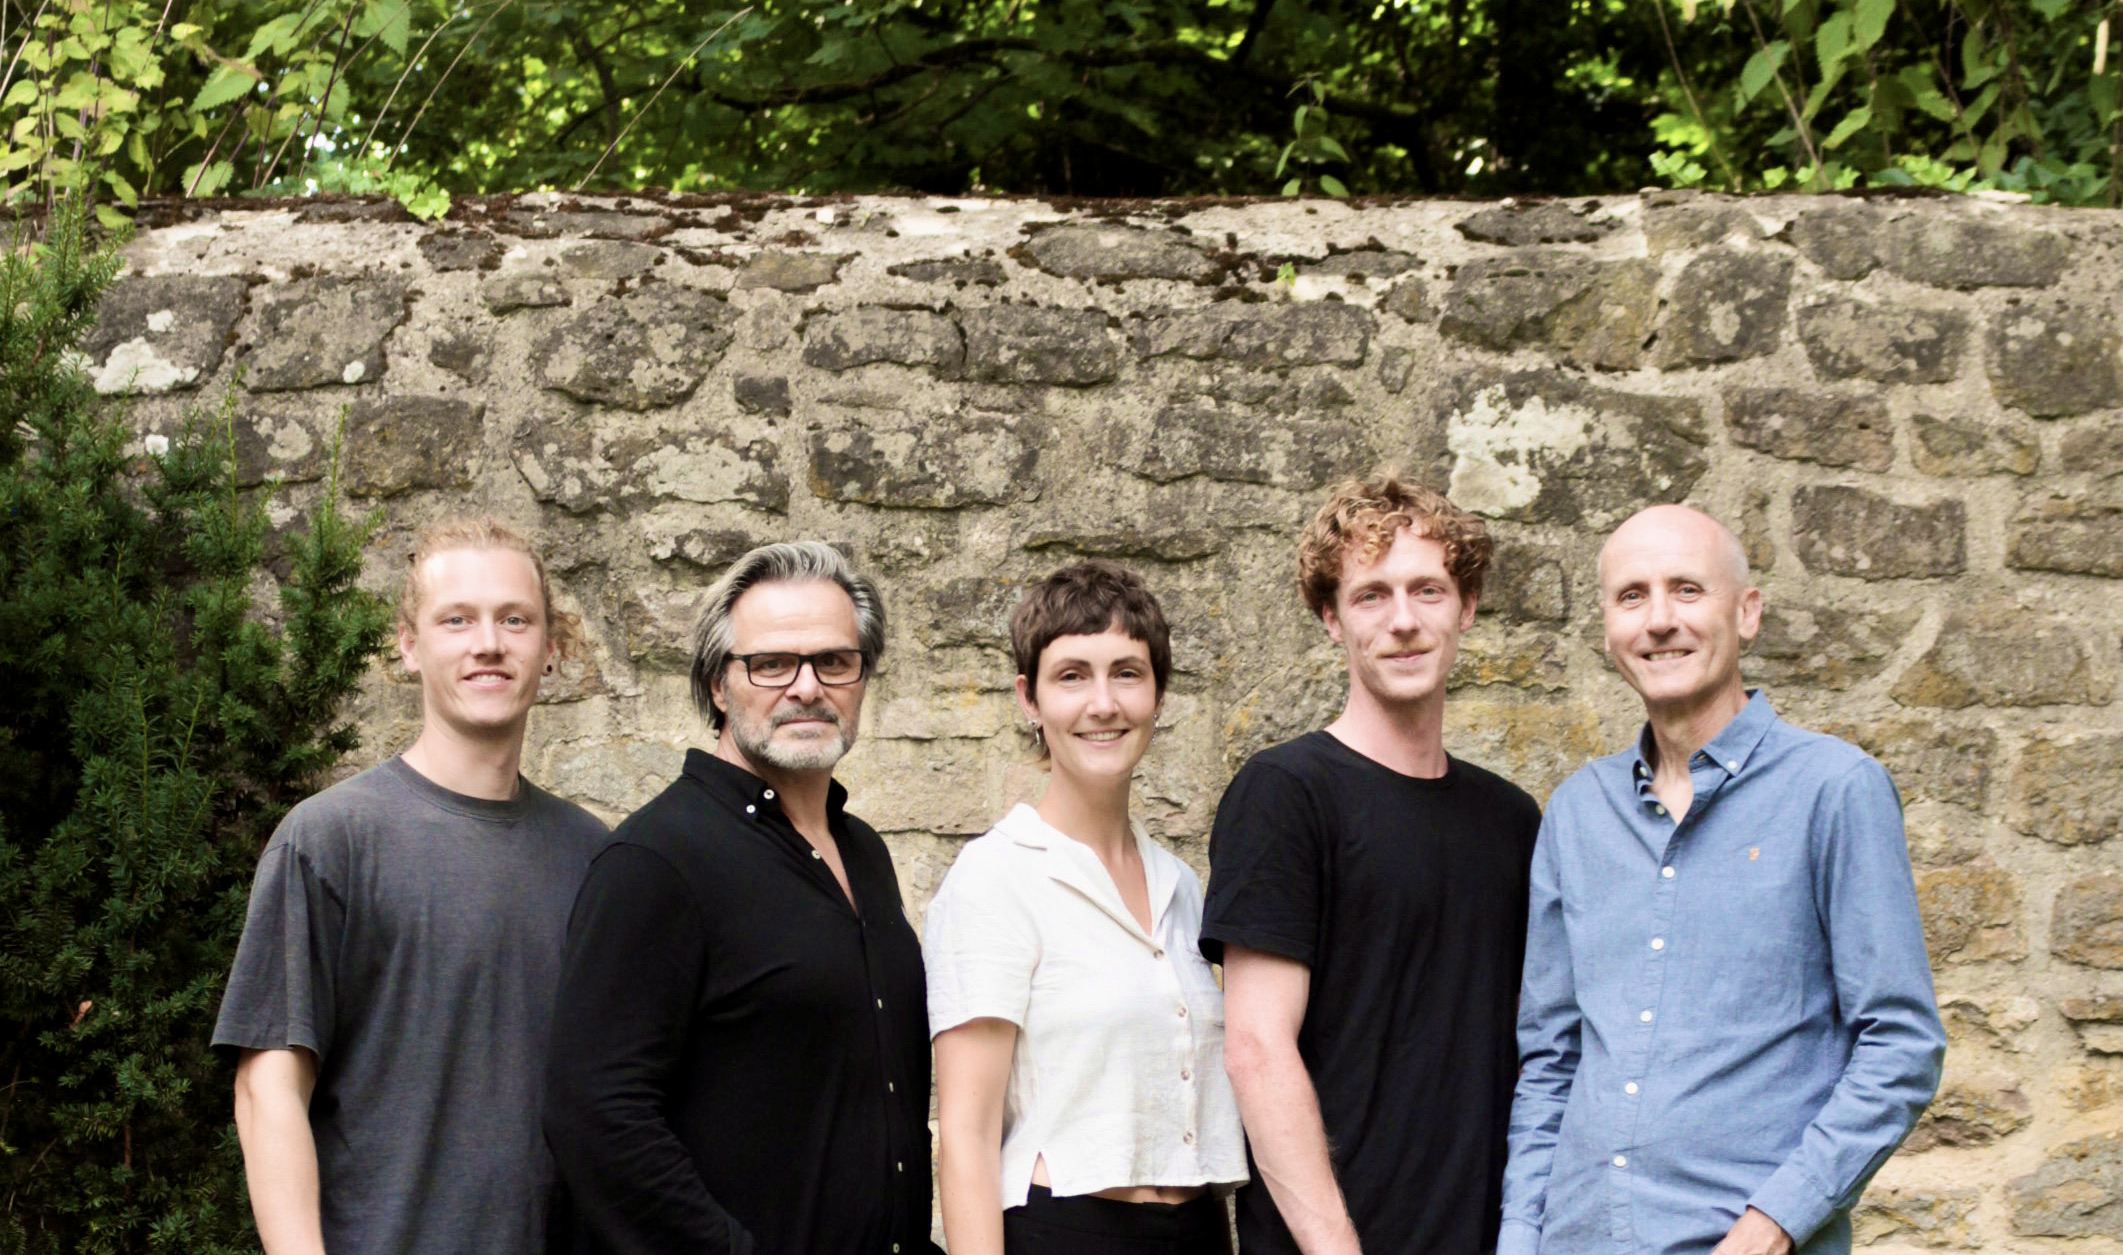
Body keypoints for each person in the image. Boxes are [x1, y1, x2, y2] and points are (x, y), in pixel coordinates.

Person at [1498, 504, 1945, 1255]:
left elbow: (1900, 1045)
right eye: (1632, 596)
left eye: (1687, 589)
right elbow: (1552, 1059)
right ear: (1607, 627)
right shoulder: (1577, 811)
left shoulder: (1834, 790)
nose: (1659, 620)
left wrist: (1776, 1223)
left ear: (1747, 613)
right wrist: (1519, 1238)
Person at [213, 516, 608, 1255]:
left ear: (551, 647)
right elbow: (267, 1090)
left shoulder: (595, 856)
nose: (487, 643)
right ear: (407, 645)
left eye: (514, 619)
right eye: (456, 619)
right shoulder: (330, 839)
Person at [544, 541, 937, 1255]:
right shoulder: (656, 860)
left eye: (834, 661)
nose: (807, 687)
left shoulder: (864, 853)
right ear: (718, 685)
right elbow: (596, 1116)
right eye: (772, 663)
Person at [1200, 470, 1543, 1254]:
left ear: (1466, 606)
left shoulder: (1511, 820)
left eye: (1427, 590)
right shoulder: (1285, 793)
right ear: (1331, 618)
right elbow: (1256, 1047)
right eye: (1370, 595)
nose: (1403, 620)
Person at [926, 561, 1247, 1255]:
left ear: (1158, 695)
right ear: (1029, 699)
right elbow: (967, 1136)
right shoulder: (996, 877)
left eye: (1126, 673)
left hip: (1196, 1230)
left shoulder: (1180, 885)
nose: (1103, 703)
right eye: (1072, 675)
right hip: (1066, 1231)